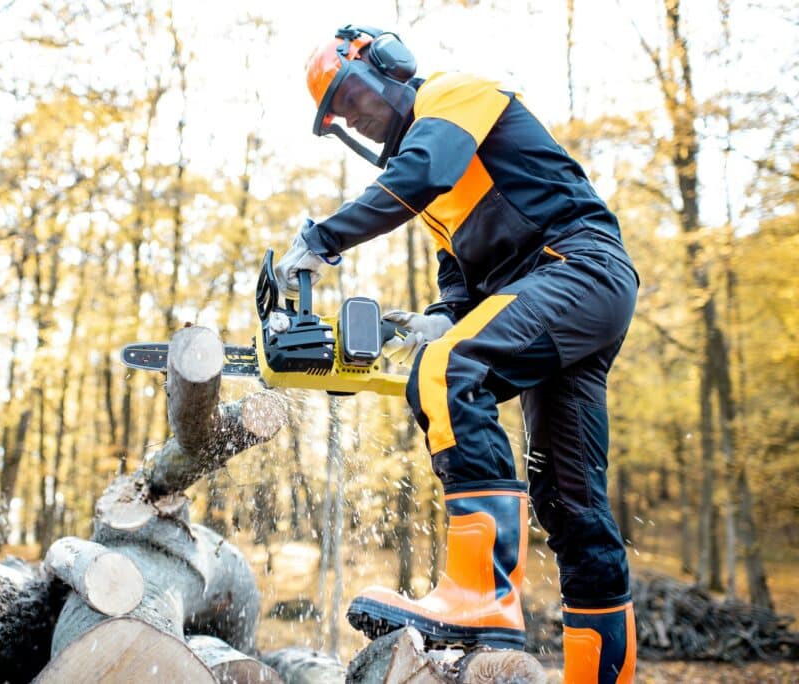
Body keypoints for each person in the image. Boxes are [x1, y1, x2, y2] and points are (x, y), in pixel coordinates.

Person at [273, 24, 639, 683]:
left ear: (388, 67)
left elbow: (424, 172)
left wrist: (324, 239)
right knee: (571, 504)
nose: (358, 115)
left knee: (448, 372)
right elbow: (460, 279)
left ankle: (482, 597)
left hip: (579, 267)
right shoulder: (442, 198)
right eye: (343, 114)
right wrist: (434, 319)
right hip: (564, 295)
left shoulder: (454, 96)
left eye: (355, 96)